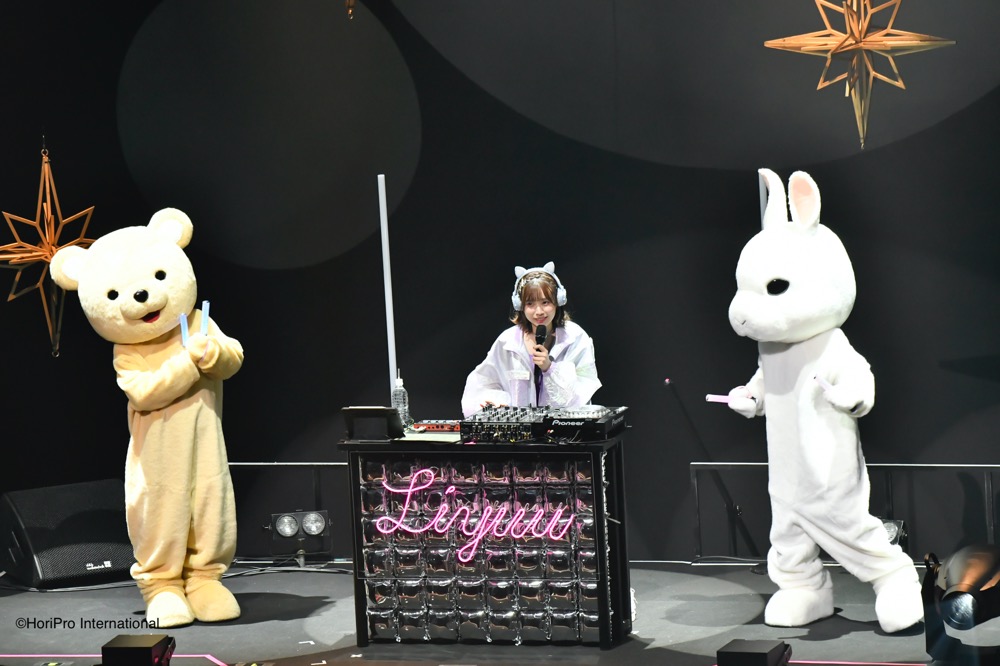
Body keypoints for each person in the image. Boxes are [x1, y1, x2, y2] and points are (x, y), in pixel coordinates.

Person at [461, 261, 601, 417]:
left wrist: (550, 368)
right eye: (530, 304)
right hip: (521, 430)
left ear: (558, 301)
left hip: (564, 428)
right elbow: (482, 383)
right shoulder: (508, 341)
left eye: (545, 302)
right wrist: (495, 402)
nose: (539, 311)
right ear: (520, 305)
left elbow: (582, 392)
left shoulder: (575, 338)